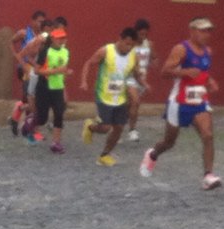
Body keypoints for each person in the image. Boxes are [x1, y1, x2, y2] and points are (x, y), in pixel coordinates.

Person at [139, 18, 221, 189]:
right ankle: (153, 154)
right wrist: (185, 72)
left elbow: (203, 73)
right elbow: (165, 72)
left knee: (208, 135)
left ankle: (208, 176)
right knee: (169, 142)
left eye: (209, 31)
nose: (207, 34)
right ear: (192, 31)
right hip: (179, 100)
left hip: (199, 99)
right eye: (202, 30)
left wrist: (210, 81)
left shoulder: (208, 51)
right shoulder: (181, 49)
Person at [80, 27, 146, 166]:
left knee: (119, 128)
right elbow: (89, 63)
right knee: (105, 128)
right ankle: (90, 126)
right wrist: (84, 81)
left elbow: (135, 72)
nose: (129, 48)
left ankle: (104, 155)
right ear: (120, 39)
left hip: (120, 97)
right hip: (103, 95)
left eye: (132, 45)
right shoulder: (106, 51)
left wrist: (143, 83)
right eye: (127, 44)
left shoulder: (133, 55)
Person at [34, 27, 71, 154]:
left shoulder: (66, 52)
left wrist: (66, 73)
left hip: (58, 87)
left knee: (59, 113)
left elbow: (63, 69)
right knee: (42, 118)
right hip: (44, 87)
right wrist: (55, 71)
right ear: (53, 39)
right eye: (59, 38)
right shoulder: (45, 51)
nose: (62, 40)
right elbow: (36, 70)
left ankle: (56, 143)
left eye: (64, 38)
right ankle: (30, 122)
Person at [127, 19, 156, 143]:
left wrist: (153, 63)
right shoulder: (130, 45)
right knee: (136, 102)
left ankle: (115, 124)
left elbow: (154, 58)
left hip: (142, 78)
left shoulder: (149, 44)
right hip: (130, 77)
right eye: (141, 34)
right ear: (136, 32)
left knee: (129, 105)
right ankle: (132, 131)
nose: (143, 36)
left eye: (145, 34)